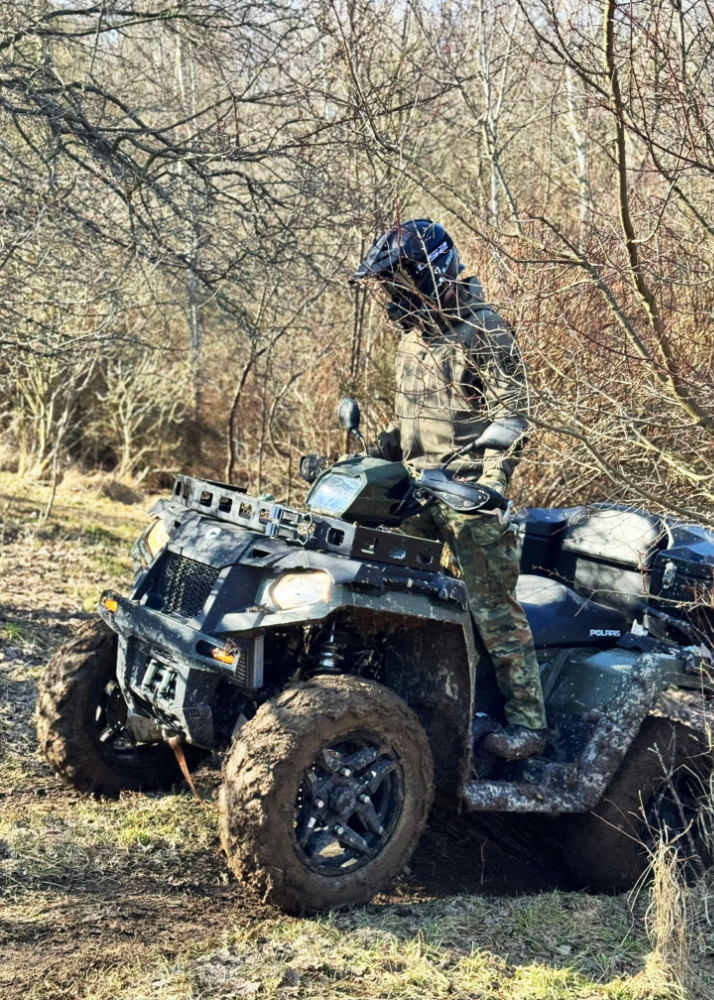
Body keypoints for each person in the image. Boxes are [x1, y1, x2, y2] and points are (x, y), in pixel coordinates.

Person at [350, 219, 547, 760]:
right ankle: (400, 703)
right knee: (386, 591)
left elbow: (513, 416)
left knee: (493, 608)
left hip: (465, 494)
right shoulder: (412, 340)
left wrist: (490, 485)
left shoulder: (485, 331)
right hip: (416, 490)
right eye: (387, 287)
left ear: (431, 276)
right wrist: (381, 450)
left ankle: (529, 725)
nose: (391, 297)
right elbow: (416, 419)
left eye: (399, 284)